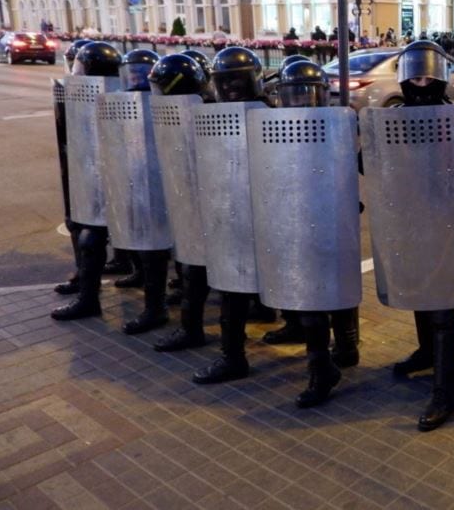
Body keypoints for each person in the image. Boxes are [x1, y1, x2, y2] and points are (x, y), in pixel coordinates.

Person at [383, 40, 454, 431]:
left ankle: (444, 391)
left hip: (447, 220)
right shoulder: (395, 116)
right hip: (410, 218)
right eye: (413, 77)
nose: (421, 84)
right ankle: (425, 352)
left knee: (443, 306)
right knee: (419, 289)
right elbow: (376, 162)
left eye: (428, 77)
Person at [270, 60, 360, 407]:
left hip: (333, 216)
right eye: (292, 94)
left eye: (305, 93)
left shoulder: (340, 121)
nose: (299, 100)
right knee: (314, 300)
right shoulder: (274, 126)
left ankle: (340, 354)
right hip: (302, 219)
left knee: (332, 294)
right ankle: (322, 366)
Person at [192, 47, 267, 384]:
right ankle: (232, 356)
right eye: (227, 81)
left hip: (270, 215)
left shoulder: (270, 114)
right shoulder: (213, 116)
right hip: (234, 214)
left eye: (239, 79)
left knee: (296, 292)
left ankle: (320, 366)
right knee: (232, 293)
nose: (233, 87)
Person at [147, 53, 215, 352]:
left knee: (197, 271)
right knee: (192, 269)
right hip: (197, 199)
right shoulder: (189, 108)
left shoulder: (207, 109)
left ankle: (193, 331)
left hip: (213, 203)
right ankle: (193, 329)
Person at [51, 42, 122, 322]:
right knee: (88, 234)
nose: (75, 72)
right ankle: (87, 292)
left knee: (142, 244)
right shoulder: (80, 95)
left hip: (121, 177)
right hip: (94, 174)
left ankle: (155, 306)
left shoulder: (121, 96)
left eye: (80, 67)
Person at [113, 48, 174, 335]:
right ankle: (155, 304)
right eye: (132, 72)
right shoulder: (123, 103)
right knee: (143, 245)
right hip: (140, 180)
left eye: (141, 73)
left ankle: (158, 308)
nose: (135, 78)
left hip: (169, 186)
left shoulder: (171, 105)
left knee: (167, 255)